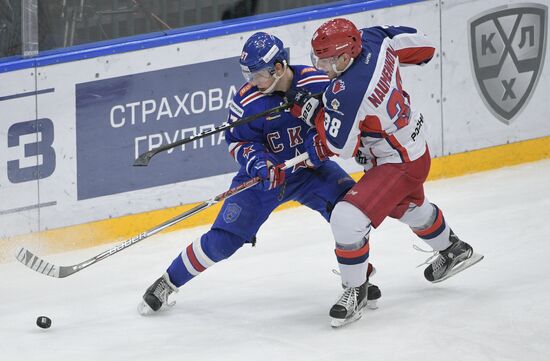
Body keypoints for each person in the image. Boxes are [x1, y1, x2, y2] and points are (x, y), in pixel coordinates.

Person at [138, 32, 382, 318]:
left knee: (351, 212)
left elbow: (343, 119)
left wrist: (324, 141)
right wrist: (259, 163)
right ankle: (168, 282)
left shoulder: (318, 81)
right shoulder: (246, 101)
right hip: (265, 180)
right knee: (222, 241)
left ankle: (356, 281)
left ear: (278, 68)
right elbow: (238, 142)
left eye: (256, 75)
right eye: (248, 74)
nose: (251, 81)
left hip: (310, 171)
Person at [287, 18, 483, 327]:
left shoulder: (348, 90)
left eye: (325, 60)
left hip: (397, 161)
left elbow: (340, 145)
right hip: (412, 144)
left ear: (344, 56)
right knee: (406, 208)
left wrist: (315, 112)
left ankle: (356, 290)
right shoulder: (373, 38)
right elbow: (425, 45)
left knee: (347, 217)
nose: (320, 66)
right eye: (317, 58)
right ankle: (454, 249)